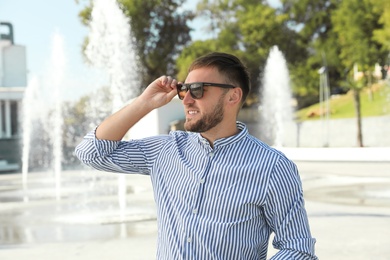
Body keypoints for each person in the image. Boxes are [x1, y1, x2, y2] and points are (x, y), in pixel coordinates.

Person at [75, 52, 317, 259]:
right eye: (183, 91)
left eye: (198, 90)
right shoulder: (165, 150)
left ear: (233, 96)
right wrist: (144, 103)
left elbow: (298, 248)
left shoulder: (272, 167)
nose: (187, 100)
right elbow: (91, 152)